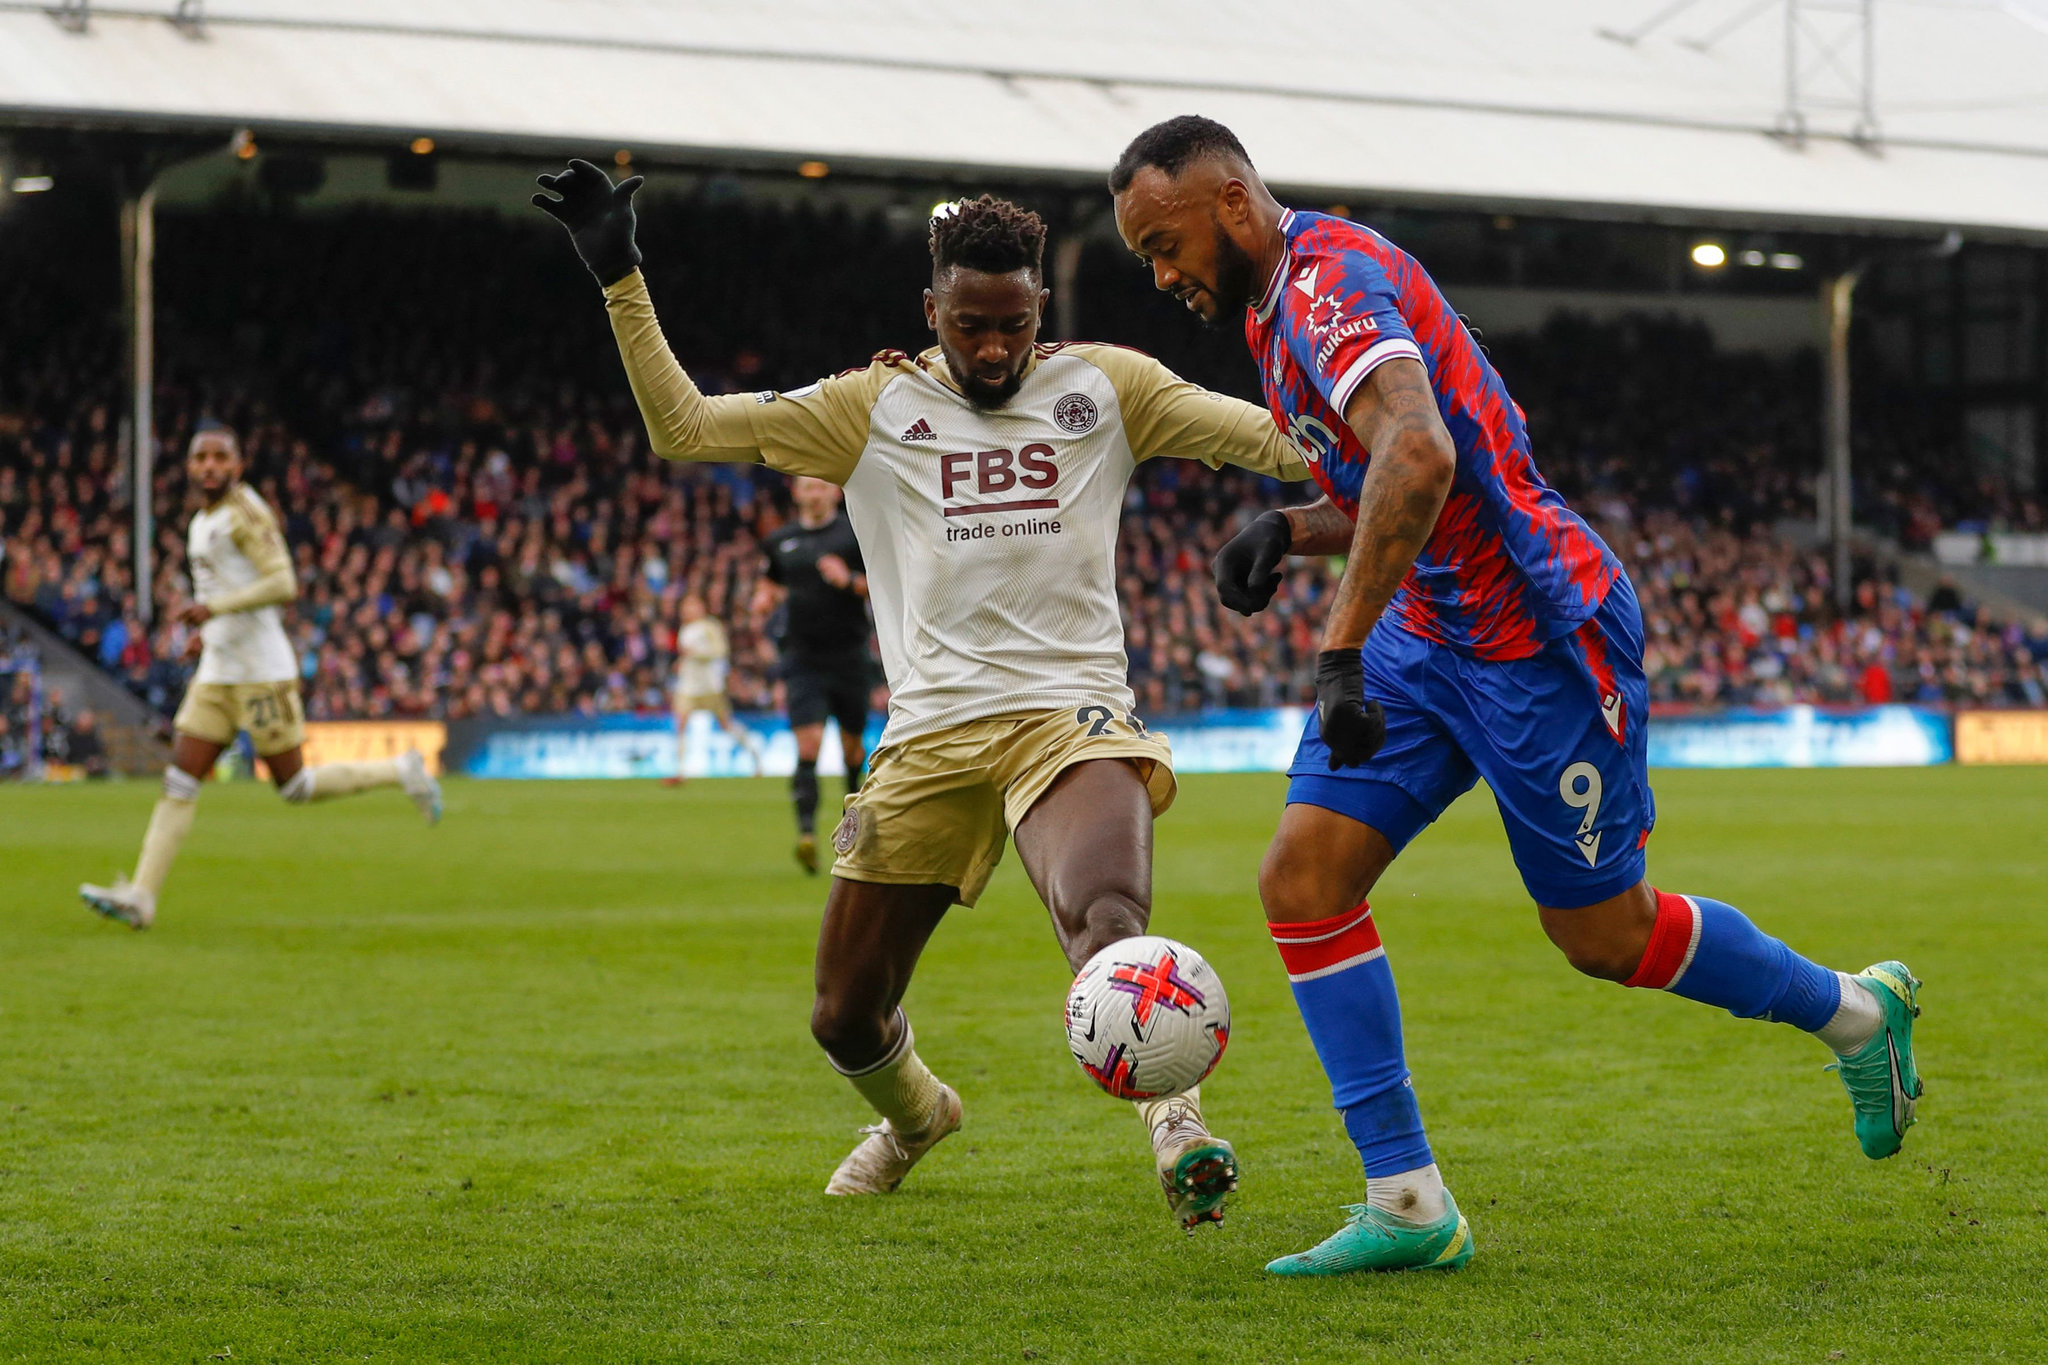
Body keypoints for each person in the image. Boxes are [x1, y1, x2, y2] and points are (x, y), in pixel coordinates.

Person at [1109, 116, 1923, 1274]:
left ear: (1229, 202)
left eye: (1162, 243)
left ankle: (1852, 1012)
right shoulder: (1268, 302)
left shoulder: (1327, 285)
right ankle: (1404, 1202)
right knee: (1301, 879)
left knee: (1601, 934)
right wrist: (1290, 530)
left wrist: (1335, 647)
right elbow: (1396, 477)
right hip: (1428, 626)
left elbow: (1424, 458)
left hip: (1532, 638)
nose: (1160, 274)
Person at [536, 160, 1312, 1228]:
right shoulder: (869, 405)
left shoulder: (1107, 388)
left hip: (1067, 717)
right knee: (843, 1015)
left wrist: (1387, 413)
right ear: (930, 310)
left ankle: (1176, 1126)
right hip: (930, 735)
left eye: (1011, 323)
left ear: (1039, 307)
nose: (992, 348)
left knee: (1106, 918)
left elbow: (1281, 441)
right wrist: (618, 271)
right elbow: (683, 428)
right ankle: (913, 1118)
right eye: (968, 325)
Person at [79, 424, 443, 930]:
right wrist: (209, 632)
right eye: (200, 457)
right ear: (188, 466)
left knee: (293, 787)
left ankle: (401, 770)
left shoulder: (246, 513)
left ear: (237, 465)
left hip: (261, 672)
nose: (209, 466)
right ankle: (142, 896)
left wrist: (212, 609)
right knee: (180, 780)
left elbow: (283, 581)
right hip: (218, 672)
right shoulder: (202, 520)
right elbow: (229, 591)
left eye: (219, 457)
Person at [749, 475, 873, 871]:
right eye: (808, 487)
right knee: (809, 746)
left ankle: (855, 829)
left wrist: (850, 580)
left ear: (834, 492)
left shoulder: (855, 534)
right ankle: (805, 834)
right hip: (802, 658)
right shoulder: (781, 541)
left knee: (853, 750)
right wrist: (764, 599)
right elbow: (770, 582)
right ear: (797, 493)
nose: (815, 493)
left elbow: (888, 584)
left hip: (850, 656)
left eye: (821, 486)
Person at [663, 591, 761, 787]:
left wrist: (696, 654)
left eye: (692, 605)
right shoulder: (685, 629)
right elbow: (687, 656)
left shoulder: (710, 627)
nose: (688, 610)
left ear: (701, 607)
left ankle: (754, 755)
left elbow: (720, 651)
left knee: (726, 724)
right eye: (686, 606)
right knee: (680, 724)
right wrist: (682, 663)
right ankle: (679, 771)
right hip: (687, 686)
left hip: (710, 686)